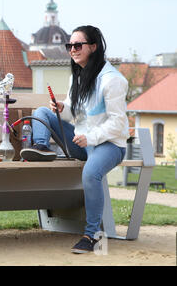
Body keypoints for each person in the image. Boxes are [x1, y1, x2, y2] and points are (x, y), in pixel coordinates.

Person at [20, 25, 129, 254]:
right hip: (82, 141)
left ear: (94, 47)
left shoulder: (112, 80)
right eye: (70, 45)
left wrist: (90, 138)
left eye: (77, 45)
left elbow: (118, 123)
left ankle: (92, 236)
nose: (72, 49)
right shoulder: (77, 77)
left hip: (108, 145)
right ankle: (41, 148)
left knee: (90, 173)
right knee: (42, 112)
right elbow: (76, 114)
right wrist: (63, 108)